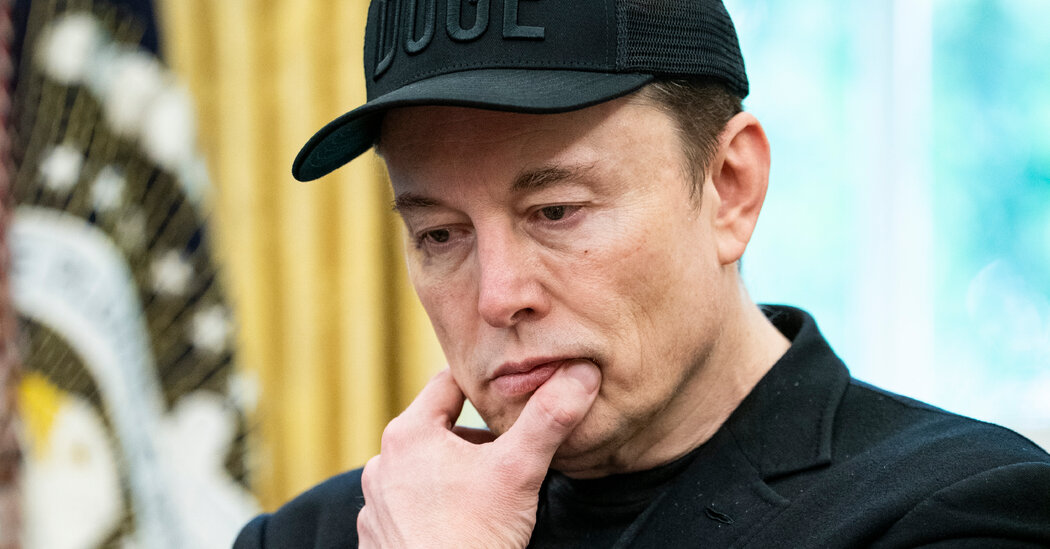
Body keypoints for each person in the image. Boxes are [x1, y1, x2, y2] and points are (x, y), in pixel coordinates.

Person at [234, 0, 1050, 547]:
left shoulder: (962, 510)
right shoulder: (318, 534)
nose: (498, 295)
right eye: (440, 235)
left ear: (730, 187)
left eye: (556, 210)